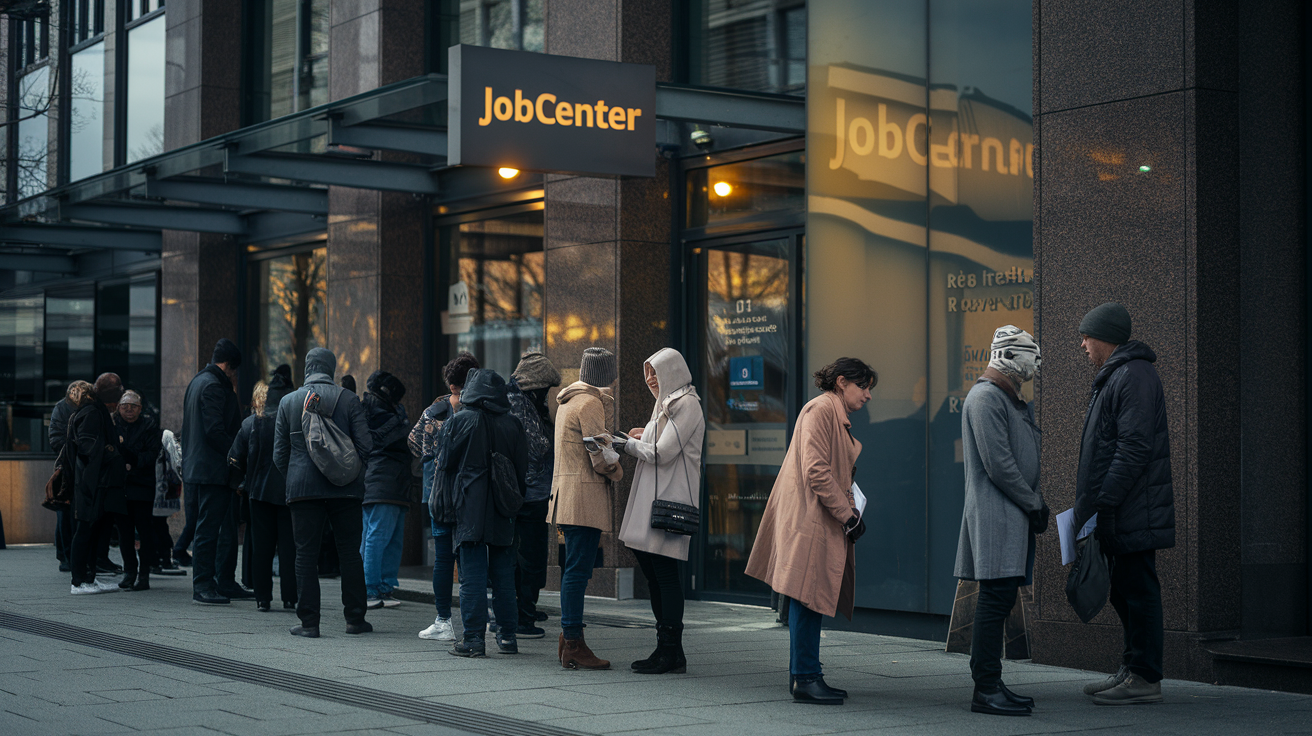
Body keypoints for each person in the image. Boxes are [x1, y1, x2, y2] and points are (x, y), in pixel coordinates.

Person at [745, 357, 876, 705]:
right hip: (811, 517)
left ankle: (805, 673)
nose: (868, 396)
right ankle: (805, 677)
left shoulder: (831, 412)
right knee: (807, 594)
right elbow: (816, 470)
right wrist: (847, 515)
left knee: (811, 594)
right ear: (842, 382)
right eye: (863, 387)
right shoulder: (820, 410)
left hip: (816, 515)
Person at [1071, 303, 1175, 705]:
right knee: (1124, 590)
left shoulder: (1132, 375)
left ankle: (1146, 677)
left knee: (1138, 590)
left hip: (1132, 509)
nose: (1082, 344)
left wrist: (1102, 503)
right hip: (1123, 509)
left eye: (1086, 336)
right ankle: (1133, 668)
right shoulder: (1119, 375)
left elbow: (1133, 448)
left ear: (1105, 337)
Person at [954, 326, 1047, 716]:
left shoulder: (1002, 397)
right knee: (995, 599)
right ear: (1008, 356)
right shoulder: (986, 398)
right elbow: (1000, 465)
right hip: (999, 515)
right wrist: (1033, 503)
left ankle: (991, 683)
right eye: (1031, 355)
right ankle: (986, 688)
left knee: (1001, 596)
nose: (1037, 363)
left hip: (1010, 515)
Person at [273, 347, 373, 638]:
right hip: (346, 490)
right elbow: (366, 447)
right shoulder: (349, 399)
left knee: (305, 555)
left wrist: (294, 477)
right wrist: (353, 476)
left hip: (303, 489)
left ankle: (309, 623)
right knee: (349, 554)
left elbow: (280, 454)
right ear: (331, 367)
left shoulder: (288, 402)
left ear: (307, 367)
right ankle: (355, 619)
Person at [617, 348, 705, 675]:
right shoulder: (667, 402)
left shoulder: (687, 404)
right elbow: (658, 444)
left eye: (656, 372)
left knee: (665, 576)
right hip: (653, 501)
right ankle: (667, 650)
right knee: (656, 576)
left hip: (668, 503)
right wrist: (642, 435)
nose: (651, 379)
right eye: (647, 372)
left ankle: (670, 652)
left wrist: (624, 444)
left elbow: (663, 453)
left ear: (673, 371)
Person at [434, 368, 528, 657]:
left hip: (469, 507)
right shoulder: (513, 424)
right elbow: (522, 470)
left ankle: (473, 640)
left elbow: (446, 462)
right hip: (503, 508)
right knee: (504, 576)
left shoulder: (459, 421)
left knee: (471, 576)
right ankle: (508, 637)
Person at [549, 347, 623, 670]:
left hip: (566, 496)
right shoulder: (591, 403)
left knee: (573, 570)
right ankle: (574, 643)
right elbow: (600, 456)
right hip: (585, 499)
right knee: (578, 571)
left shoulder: (567, 402)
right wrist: (618, 466)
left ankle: (569, 638)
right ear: (606, 377)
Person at [410, 352, 479, 642]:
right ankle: (478, 619)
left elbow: (414, 443)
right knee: (471, 556)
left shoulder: (433, 411)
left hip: (437, 492)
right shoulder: (480, 410)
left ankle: (443, 621)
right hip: (469, 493)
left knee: (442, 558)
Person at [182, 338, 245, 605]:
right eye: (235, 371)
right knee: (208, 529)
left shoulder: (197, 381)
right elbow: (214, 431)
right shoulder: (214, 386)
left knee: (209, 527)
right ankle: (204, 585)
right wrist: (237, 455)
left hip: (199, 467)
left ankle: (218, 582)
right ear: (229, 366)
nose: (235, 376)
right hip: (212, 470)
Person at [229, 369, 297, 612]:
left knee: (262, 549)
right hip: (290, 494)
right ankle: (290, 597)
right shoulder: (295, 423)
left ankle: (263, 598)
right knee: (290, 549)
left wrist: (241, 483)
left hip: (258, 493)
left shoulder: (251, 424)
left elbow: (235, 458)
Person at [506, 352, 561, 640]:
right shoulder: (521, 406)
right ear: (537, 387)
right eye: (547, 390)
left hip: (525, 494)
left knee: (523, 557)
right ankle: (523, 616)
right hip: (529, 495)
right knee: (529, 558)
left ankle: (522, 610)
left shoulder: (516, 400)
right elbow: (537, 449)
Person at [67, 373, 128, 595]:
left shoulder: (92, 410)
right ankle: (79, 581)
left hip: (92, 482)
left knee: (91, 532)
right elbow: (88, 448)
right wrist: (112, 452)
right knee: (85, 531)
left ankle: (88, 579)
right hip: (89, 484)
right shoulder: (92, 412)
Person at [360, 370, 412, 610]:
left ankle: (382, 587)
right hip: (385, 482)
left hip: (390, 482)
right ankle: (371, 588)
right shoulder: (380, 413)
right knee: (379, 537)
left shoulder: (375, 409)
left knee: (386, 538)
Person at [113, 390, 163, 592]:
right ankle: (129, 572)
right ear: (119, 408)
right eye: (125, 406)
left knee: (145, 532)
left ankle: (144, 574)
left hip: (142, 486)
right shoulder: (113, 425)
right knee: (124, 534)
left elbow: (150, 456)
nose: (129, 410)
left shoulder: (150, 426)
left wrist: (130, 461)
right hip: (121, 487)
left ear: (140, 409)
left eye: (133, 406)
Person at [50, 381, 88, 572]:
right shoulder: (62, 408)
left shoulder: (88, 408)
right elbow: (55, 438)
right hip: (67, 466)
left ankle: (71, 555)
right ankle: (65, 555)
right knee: (64, 512)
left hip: (82, 464)